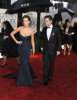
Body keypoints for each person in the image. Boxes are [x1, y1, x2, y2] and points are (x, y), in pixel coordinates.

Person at [4, 15, 36, 87]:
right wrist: (16, 41)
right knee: (22, 62)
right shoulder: (20, 28)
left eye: (26, 21)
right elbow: (11, 34)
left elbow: (32, 40)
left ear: (29, 22)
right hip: (21, 47)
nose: (24, 22)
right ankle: (25, 78)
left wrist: (33, 49)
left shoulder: (31, 30)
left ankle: (25, 78)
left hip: (27, 48)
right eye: (23, 21)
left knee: (25, 62)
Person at [36, 15, 61, 85]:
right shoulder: (44, 29)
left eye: (47, 21)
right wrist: (35, 32)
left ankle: (50, 76)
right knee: (45, 65)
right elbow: (41, 37)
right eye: (45, 21)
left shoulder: (56, 29)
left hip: (53, 50)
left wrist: (58, 50)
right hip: (45, 50)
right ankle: (45, 80)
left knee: (52, 64)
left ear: (51, 21)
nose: (45, 22)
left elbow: (59, 40)